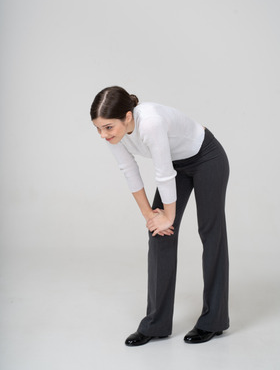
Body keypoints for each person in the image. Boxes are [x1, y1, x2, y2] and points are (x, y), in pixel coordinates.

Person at [90, 86, 230, 346]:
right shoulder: (113, 136)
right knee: (159, 233)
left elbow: (163, 173)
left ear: (127, 117)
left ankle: (214, 320)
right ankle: (156, 324)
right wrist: (151, 216)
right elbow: (128, 170)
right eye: (98, 128)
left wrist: (169, 217)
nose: (103, 134)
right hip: (178, 165)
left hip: (207, 158)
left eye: (107, 127)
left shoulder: (150, 122)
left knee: (211, 234)